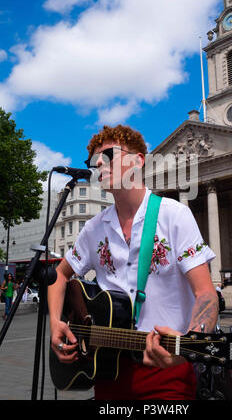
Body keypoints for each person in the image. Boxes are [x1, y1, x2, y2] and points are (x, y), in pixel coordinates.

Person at [48, 124, 218, 400]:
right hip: (107, 373)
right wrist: (56, 322)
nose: (99, 163)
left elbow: (206, 293)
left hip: (165, 374)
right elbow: (59, 275)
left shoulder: (174, 216)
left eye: (109, 155)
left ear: (138, 161)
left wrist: (188, 346)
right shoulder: (93, 229)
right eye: (93, 161)